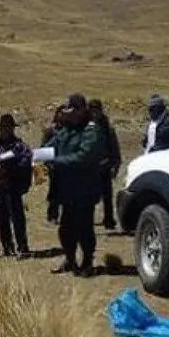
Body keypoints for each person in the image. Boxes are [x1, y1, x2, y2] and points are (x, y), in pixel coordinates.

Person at [50, 93, 103, 277]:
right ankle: (70, 259)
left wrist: (57, 161)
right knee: (65, 229)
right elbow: (53, 145)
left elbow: (84, 157)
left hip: (84, 190)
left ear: (81, 110)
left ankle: (87, 262)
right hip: (67, 190)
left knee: (84, 228)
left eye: (71, 110)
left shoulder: (91, 130)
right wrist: (36, 155)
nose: (67, 114)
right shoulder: (67, 130)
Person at [0, 114, 34, 259]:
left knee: (17, 219)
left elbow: (26, 163)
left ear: (12, 129)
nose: (4, 130)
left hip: (12, 188)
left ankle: (23, 248)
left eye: (7, 127)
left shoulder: (19, 146)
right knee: (2, 220)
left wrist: (10, 169)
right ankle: (7, 248)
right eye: (2, 128)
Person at [88, 98, 122, 230]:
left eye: (96, 110)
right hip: (90, 168)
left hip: (105, 166)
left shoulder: (107, 127)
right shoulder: (85, 126)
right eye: (92, 110)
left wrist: (115, 165)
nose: (94, 113)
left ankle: (109, 220)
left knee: (107, 196)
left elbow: (114, 147)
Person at [41, 107, 66, 224]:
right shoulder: (50, 131)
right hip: (54, 166)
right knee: (54, 191)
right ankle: (52, 215)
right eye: (60, 113)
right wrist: (48, 164)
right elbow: (44, 148)